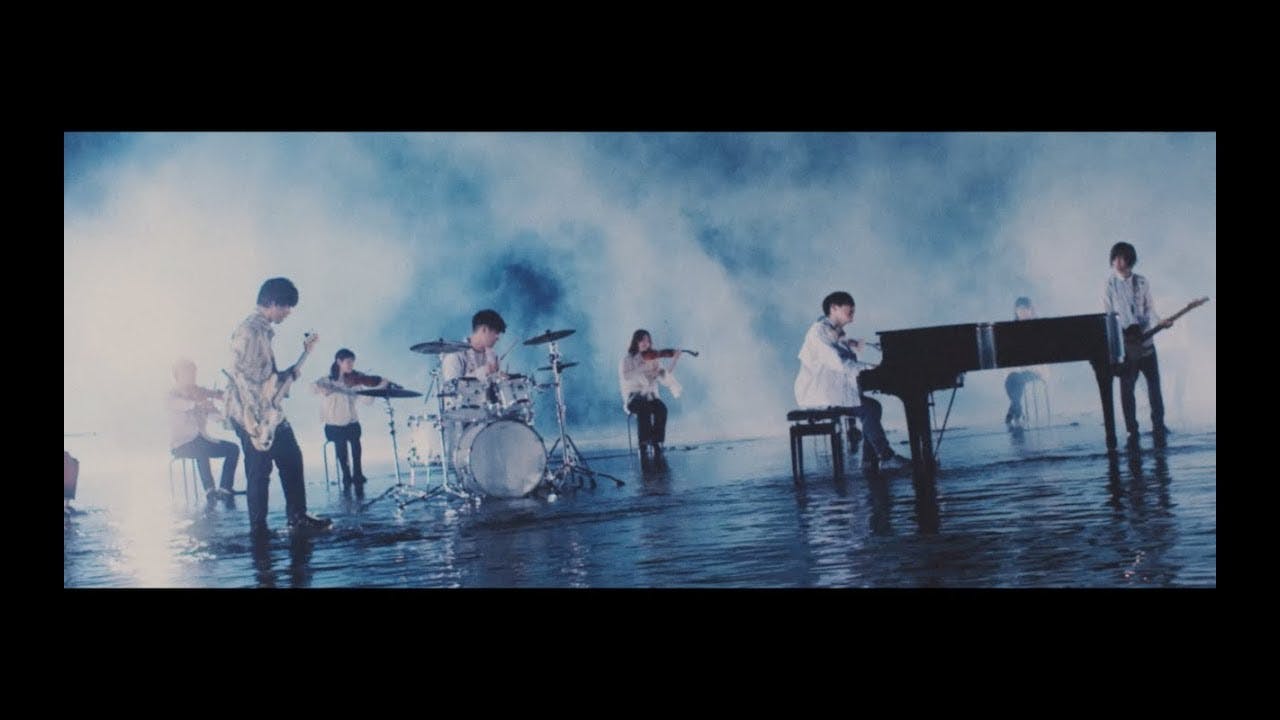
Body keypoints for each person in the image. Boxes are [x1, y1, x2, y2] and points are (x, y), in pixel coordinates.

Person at [224, 277, 331, 535]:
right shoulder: (249, 331)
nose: (288, 312)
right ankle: (259, 530)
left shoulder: (262, 331)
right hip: (251, 414)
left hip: (265, 411)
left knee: (291, 458)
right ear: (272, 303)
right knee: (259, 470)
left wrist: (290, 371)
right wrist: (255, 420)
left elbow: (264, 378)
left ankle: (297, 516)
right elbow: (240, 376)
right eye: (286, 306)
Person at [794, 291, 909, 470]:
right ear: (834, 308)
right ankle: (885, 456)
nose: (853, 316)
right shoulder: (819, 332)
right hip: (820, 394)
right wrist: (872, 368)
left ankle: (870, 460)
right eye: (850, 311)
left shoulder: (832, 331)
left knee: (872, 407)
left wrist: (863, 348)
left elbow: (845, 350)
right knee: (870, 409)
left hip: (831, 390)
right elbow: (839, 364)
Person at [1103, 242, 1172, 445]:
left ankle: (1159, 425)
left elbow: (1150, 308)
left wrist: (1160, 321)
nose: (1118, 262)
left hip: (1146, 340)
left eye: (1122, 258)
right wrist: (1114, 347)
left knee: (1154, 387)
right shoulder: (1110, 284)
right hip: (1126, 345)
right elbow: (1108, 315)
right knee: (1127, 390)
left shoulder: (1141, 281)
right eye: (1115, 258)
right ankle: (1131, 429)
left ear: (1130, 260)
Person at [313, 348, 386, 498]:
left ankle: (358, 473)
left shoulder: (354, 381)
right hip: (333, 426)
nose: (351, 365)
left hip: (351, 424)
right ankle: (346, 474)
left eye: (353, 362)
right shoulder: (327, 380)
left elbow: (367, 401)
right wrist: (328, 388)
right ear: (339, 362)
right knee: (341, 441)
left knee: (355, 438)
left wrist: (376, 387)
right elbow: (313, 388)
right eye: (348, 362)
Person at [168, 358, 240, 502]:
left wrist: (225, 413)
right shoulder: (171, 394)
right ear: (177, 375)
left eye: (193, 373)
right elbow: (182, 404)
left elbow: (215, 416)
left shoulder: (199, 393)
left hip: (203, 440)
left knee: (233, 449)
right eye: (188, 373)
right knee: (201, 449)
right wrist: (199, 404)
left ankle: (224, 489)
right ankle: (210, 491)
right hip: (181, 445)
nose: (192, 377)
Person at [619, 329, 685, 459]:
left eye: (648, 341)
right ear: (636, 342)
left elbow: (665, 376)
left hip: (649, 397)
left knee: (662, 409)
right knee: (644, 407)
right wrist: (645, 370)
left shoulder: (653, 359)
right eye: (643, 340)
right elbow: (626, 377)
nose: (646, 343)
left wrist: (674, 360)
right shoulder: (627, 360)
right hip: (634, 398)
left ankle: (657, 442)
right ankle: (643, 444)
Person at [1003, 297, 1050, 428]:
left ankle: (1014, 412)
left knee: (1016, 380)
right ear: (1016, 311)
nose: (1022, 312)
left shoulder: (1038, 327)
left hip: (1036, 370)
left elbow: (1043, 351)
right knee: (1010, 380)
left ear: (1031, 310)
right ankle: (1018, 411)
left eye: (1025, 309)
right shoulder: (1012, 330)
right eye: (1019, 309)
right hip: (1019, 371)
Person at [441, 309, 506, 383]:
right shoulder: (455, 355)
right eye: (496, 333)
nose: (498, 338)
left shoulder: (493, 356)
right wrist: (484, 371)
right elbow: (452, 386)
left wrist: (501, 378)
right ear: (484, 329)